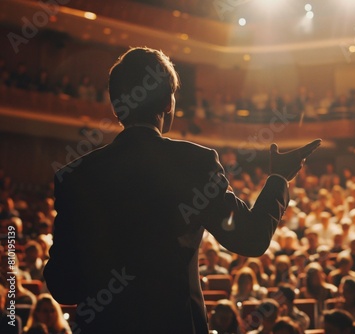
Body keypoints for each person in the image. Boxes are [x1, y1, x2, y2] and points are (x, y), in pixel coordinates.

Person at [43, 47, 321, 333]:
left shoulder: (74, 176)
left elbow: (64, 286)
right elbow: (250, 238)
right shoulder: (194, 163)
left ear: (115, 107)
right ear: (167, 102)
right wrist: (278, 179)